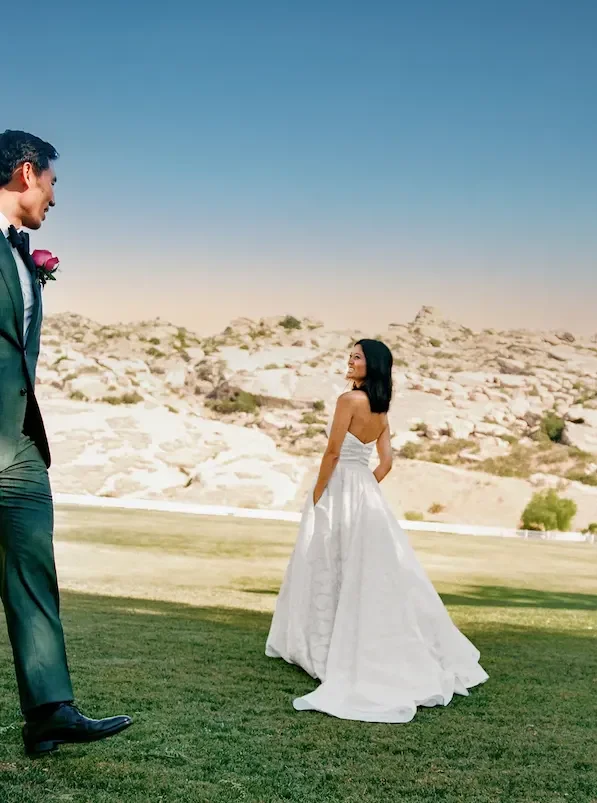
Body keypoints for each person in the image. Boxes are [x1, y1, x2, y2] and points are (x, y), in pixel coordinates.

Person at [266, 338, 488, 722]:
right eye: (350, 356)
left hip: (338, 487)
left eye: (357, 357)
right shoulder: (382, 410)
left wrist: (320, 495)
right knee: (368, 570)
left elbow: (332, 453)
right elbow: (386, 464)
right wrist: (363, 488)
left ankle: (322, 645)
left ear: (374, 366)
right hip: (366, 496)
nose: (350, 362)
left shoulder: (347, 401)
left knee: (326, 562)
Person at [0, 129, 132, 755]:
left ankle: (51, 709)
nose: (55, 197)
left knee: (34, 573)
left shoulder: (22, 255)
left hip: (20, 447)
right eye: (52, 182)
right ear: (27, 174)